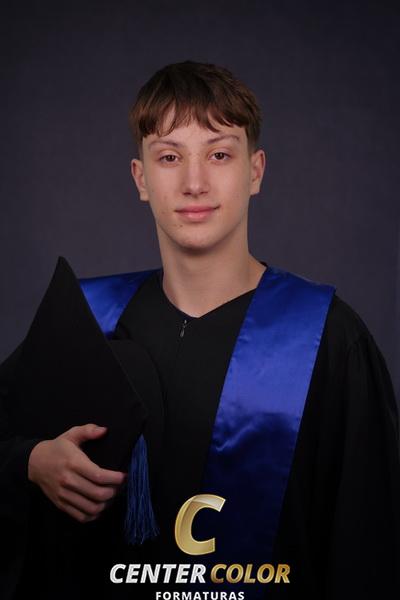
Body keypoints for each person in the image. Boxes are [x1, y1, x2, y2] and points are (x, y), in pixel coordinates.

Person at [1, 60, 399, 599]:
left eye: (219, 154)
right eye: (169, 157)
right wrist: (29, 461)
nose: (194, 183)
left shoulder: (326, 339)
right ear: (140, 178)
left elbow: (368, 547)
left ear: (255, 171)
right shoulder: (86, 320)